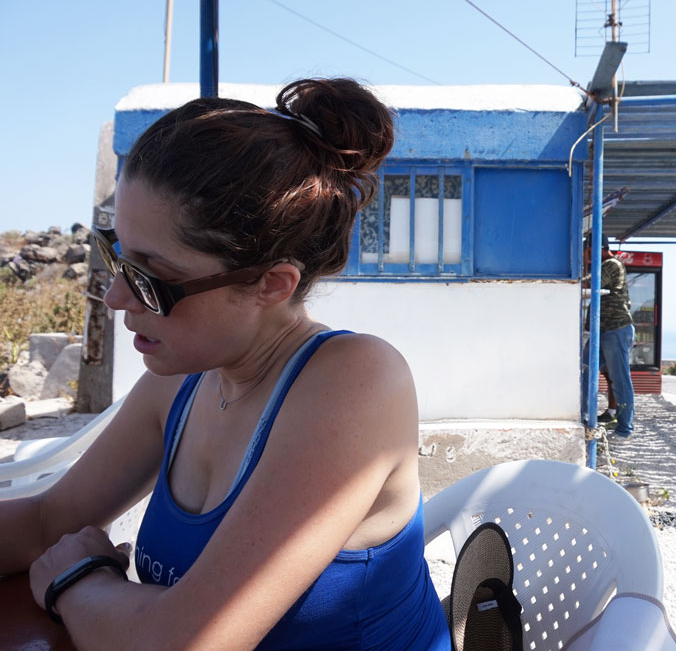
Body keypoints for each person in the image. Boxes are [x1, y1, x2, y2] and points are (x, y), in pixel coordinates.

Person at [0, 78, 451, 650]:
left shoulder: (355, 381)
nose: (115, 297)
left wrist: (77, 580)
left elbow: (186, 642)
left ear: (270, 284)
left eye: (151, 277)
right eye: (117, 253)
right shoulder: (186, 381)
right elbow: (49, 520)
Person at [581, 234, 635, 441]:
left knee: (620, 380)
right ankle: (583, 418)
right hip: (602, 331)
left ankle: (624, 429)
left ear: (598, 248)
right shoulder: (606, 265)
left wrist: (572, 278)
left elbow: (591, 283)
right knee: (583, 372)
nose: (586, 256)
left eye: (587, 251)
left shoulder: (611, 264)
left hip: (616, 329)